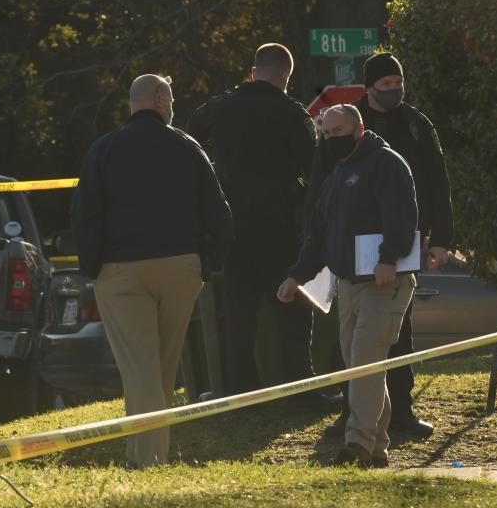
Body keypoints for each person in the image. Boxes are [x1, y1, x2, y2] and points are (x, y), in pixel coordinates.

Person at [71, 74, 233, 468]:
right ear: (160, 100)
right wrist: (207, 264)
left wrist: (93, 267)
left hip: (122, 269)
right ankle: (146, 452)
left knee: (140, 367)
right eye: (172, 97)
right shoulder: (187, 147)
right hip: (181, 267)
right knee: (161, 366)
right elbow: (219, 213)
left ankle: (146, 459)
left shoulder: (105, 149)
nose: (174, 103)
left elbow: (84, 214)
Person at [277, 105, 417, 468]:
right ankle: (377, 447)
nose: (331, 139)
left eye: (338, 132)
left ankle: (355, 445)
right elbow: (318, 235)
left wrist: (389, 259)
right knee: (359, 364)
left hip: (384, 281)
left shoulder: (386, 164)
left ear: (358, 129)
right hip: (349, 283)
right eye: (326, 133)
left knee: (365, 363)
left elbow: (401, 216)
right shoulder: (336, 176)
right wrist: (296, 276)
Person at [324, 51, 454, 438]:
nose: (395, 90)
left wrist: (442, 240)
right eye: (386, 85)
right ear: (369, 89)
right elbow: (323, 185)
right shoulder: (345, 125)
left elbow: (437, 181)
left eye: (399, 84)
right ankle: (353, 411)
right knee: (351, 335)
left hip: (404, 237)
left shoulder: (416, 124)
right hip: (352, 243)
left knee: (399, 330)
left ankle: (401, 411)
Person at [188, 43, 318, 401]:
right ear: (284, 76)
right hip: (280, 228)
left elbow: (188, 141)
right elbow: (316, 170)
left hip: (233, 229)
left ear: (253, 70)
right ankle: (299, 389)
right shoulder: (292, 113)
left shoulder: (219, 107)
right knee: (292, 311)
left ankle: (240, 392)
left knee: (239, 315)